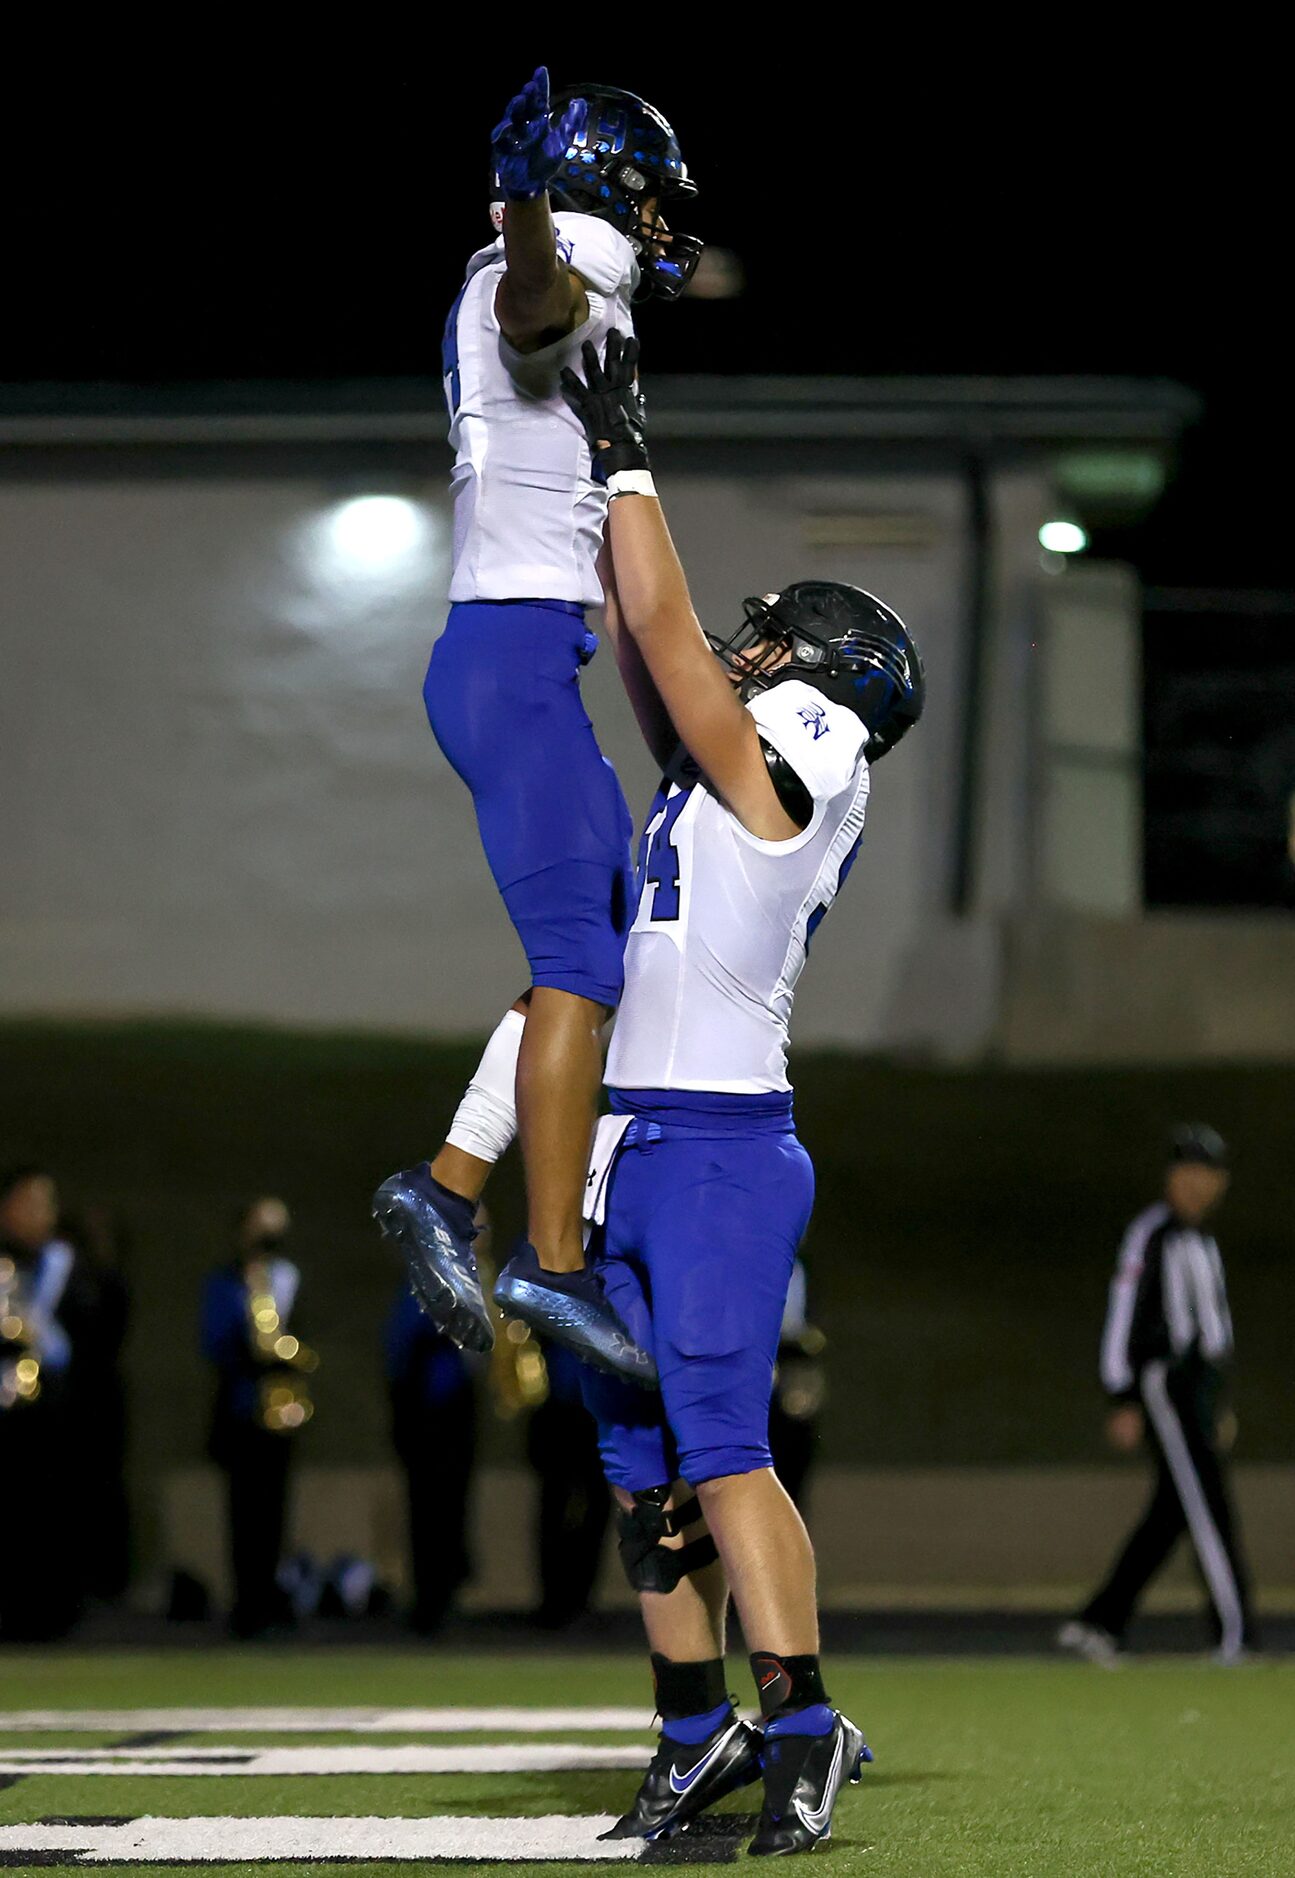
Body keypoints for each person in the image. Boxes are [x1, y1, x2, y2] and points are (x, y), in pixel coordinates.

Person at [428, 332, 923, 1852]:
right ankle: (691, 1730)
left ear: (826, 697)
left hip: (716, 1144)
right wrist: (590, 476)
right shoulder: (723, 767)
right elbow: (654, 645)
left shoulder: (805, 773)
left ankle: (800, 1712)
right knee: (636, 1466)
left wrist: (622, 449)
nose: (749, 647)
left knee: (715, 1442)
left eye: (779, 643)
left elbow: (660, 621)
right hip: (631, 1140)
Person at [372, 67, 701, 1387]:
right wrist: (523, 216)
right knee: (581, 959)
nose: (663, 226)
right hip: (510, 653)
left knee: (606, 941)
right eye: (650, 198)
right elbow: (533, 313)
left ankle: (446, 1185)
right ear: (604, 188)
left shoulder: (567, 255)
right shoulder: (572, 255)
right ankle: (550, 1262)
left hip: (515, 654)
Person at [1058, 1125, 1258, 1666]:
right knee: (1209, 1505)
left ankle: (1098, 1621)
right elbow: (1125, 1311)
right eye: (1189, 1172)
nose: (1200, 1185)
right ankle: (1236, 1633)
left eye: (1210, 1175)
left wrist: (1219, 1400)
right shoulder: (1153, 1234)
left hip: (1198, 1387)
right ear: (1172, 1177)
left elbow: (1215, 1332)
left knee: (1173, 1511)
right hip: (1165, 1382)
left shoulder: (1203, 1242)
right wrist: (1121, 1394)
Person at [0, 1166, 108, 1640]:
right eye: (30, 1202)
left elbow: (96, 1338)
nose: (41, 1214)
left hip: (57, 1413)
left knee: (54, 1515)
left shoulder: (69, 1265)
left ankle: (53, 1615)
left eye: (47, 1203)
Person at [201, 1197, 317, 1638]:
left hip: (280, 1407)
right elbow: (213, 1341)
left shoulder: (289, 1278)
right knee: (242, 1510)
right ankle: (246, 1603)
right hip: (240, 1408)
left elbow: (303, 1335)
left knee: (275, 1508)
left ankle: (273, 1596)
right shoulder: (226, 1281)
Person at [385, 1209, 487, 1633]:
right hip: (428, 1414)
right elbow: (400, 1347)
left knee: (454, 1506)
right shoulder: (427, 1278)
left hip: (460, 1410)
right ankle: (429, 1601)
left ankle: (446, 1593)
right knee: (428, 1508)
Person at [525, 1338, 612, 1629]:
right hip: (558, 1413)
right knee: (556, 1510)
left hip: (593, 1413)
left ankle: (579, 1600)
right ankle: (555, 1602)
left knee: (594, 1510)